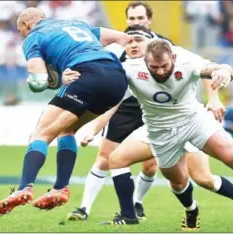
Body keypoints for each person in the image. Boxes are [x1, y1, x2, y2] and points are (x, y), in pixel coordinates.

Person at [65, 40, 233, 229]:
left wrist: (224, 74)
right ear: (144, 61)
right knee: (178, 183)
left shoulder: (186, 61)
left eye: (164, 67)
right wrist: (73, 80)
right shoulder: (130, 69)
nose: (159, 71)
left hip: (193, 120)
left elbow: (218, 68)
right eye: (154, 67)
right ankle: (191, 210)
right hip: (159, 132)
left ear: (173, 59)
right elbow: (101, 88)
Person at [0, 7, 131, 216]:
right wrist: (106, 62)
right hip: (116, 80)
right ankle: (59, 189)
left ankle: (24, 188)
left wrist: (51, 82)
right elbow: (123, 37)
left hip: (86, 77)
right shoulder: (77, 25)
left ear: (26, 25)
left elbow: (38, 82)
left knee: (40, 134)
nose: (22, 35)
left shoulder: (34, 37)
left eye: (20, 30)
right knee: (67, 131)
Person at [67, 1, 173, 221]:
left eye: (140, 18)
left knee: (151, 165)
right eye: (132, 19)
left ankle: (137, 204)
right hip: (122, 108)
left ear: (149, 20)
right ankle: (84, 208)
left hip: (152, 110)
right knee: (105, 157)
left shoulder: (164, 46)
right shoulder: (117, 45)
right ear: (127, 20)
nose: (135, 22)